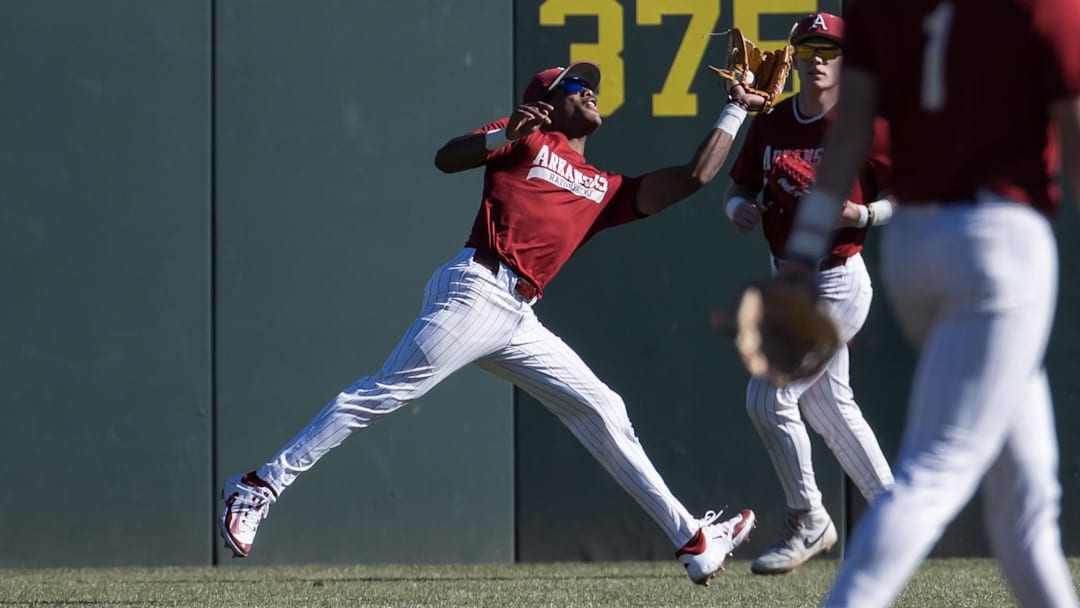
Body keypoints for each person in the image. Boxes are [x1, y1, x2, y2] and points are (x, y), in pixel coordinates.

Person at [219, 62, 761, 585]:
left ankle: (693, 539)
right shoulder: (524, 139)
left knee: (604, 408)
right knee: (382, 394)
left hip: (519, 315)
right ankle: (259, 484)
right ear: (547, 102)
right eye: (576, 84)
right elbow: (445, 159)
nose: (590, 91)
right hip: (478, 287)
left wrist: (735, 108)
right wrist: (504, 131)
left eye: (592, 86)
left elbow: (693, 178)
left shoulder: (604, 189)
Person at [781, 0, 1080, 605]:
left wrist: (801, 252)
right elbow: (1075, 139)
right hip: (1001, 243)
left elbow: (850, 134)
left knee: (1026, 496)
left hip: (916, 246)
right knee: (939, 467)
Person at [722, 12, 895, 576]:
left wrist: (863, 212)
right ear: (793, 56)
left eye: (829, 48)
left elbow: (912, 193)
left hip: (839, 276)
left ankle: (809, 518)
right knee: (829, 407)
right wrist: (737, 209)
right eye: (807, 47)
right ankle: (897, 516)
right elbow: (738, 186)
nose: (818, 57)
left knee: (767, 398)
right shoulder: (772, 125)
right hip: (786, 276)